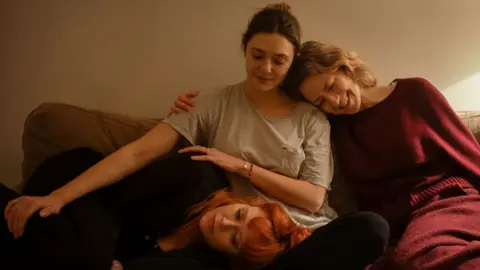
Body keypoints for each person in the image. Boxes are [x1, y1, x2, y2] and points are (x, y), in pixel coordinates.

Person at [4, 3, 389, 270]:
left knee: (373, 228)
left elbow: (314, 196)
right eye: (258, 55)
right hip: (234, 243)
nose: (267, 68)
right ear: (244, 51)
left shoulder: (310, 117)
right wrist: (59, 196)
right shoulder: (211, 103)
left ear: (291, 64)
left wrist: (240, 165)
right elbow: (139, 153)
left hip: (301, 237)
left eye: (279, 60)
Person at [170, 41, 480, 269]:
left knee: (427, 254)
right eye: (322, 100)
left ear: (345, 68)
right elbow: (273, 128)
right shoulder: (332, 128)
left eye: (332, 85)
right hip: (395, 223)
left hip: (448, 199)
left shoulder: (414, 92)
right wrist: (189, 107)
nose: (335, 101)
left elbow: (467, 151)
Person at [1, 148, 310, 270]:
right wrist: (103, 261)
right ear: (245, 203)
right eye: (239, 216)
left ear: (232, 255)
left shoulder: (201, 261)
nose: (223, 224)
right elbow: (114, 198)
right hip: (79, 188)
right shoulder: (199, 177)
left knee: (50, 239)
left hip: (72, 242)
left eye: (234, 239)